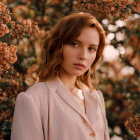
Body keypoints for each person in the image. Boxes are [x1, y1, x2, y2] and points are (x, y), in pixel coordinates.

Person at [11, 12, 110, 140]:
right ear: (58, 46)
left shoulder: (96, 98)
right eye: (75, 44)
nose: (83, 56)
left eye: (91, 48)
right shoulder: (33, 99)